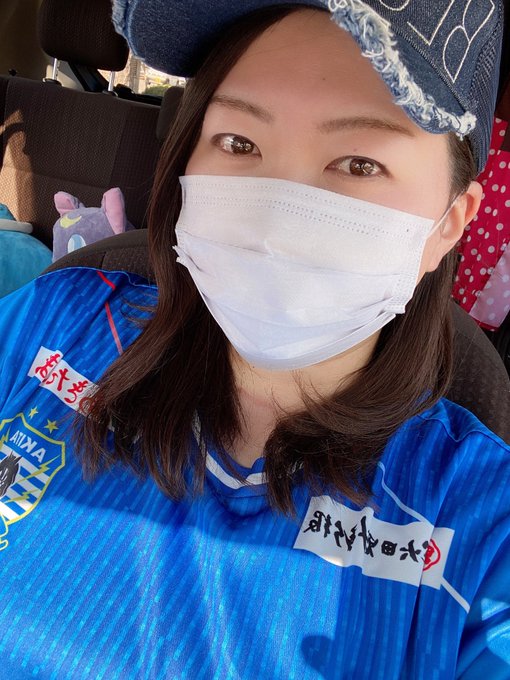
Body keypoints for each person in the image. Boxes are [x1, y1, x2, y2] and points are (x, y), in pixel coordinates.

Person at [0, 2, 509, 678]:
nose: (277, 214)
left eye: (359, 163)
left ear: (450, 222)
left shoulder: (482, 523)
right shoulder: (52, 321)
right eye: (239, 143)